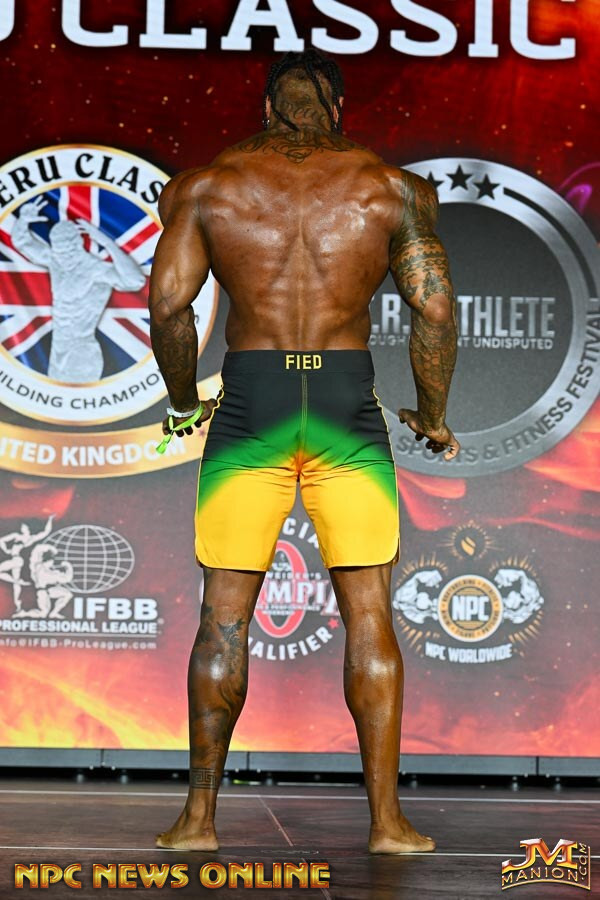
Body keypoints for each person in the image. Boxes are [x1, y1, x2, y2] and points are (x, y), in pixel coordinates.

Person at [149, 49, 459, 854]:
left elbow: (169, 304)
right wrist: (432, 415)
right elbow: (433, 307)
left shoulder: (206, 188)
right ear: (339, 107)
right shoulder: (391, 189)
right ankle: (388, 824)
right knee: (370, 614)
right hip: (343, 405)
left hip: (253, 401)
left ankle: (197, 821)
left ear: (266, 105)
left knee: (223, 616)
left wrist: (183, 403)